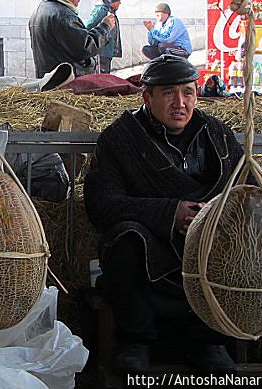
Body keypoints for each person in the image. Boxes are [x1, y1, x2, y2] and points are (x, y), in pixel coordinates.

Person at [84, 55, 242, 375]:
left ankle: (210, 341)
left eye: (188, 92)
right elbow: (101, 204)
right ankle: (137, 341)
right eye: (169, 93)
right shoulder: (121, 138)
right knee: (126, 239)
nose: (180, 103)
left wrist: (212, 214)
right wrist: (170, 213)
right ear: (147, 96)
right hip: (150, 244)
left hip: (204, 247)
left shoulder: (218, 136)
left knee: (237, 237)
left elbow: (246, 190)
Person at [29, 0, 115, 78]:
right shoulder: (63, 16)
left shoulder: (41, 10)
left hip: (51, 82)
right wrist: (105, 27)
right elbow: (85, 47)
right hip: (68, 84)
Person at [85, 0, 122, 74]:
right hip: (101, 51)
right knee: (101, 77)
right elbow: (88, 26)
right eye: (118, 1)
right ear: (113, 1)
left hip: (107, 51)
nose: (120, 3)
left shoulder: (109, 11)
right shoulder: (102, 10)